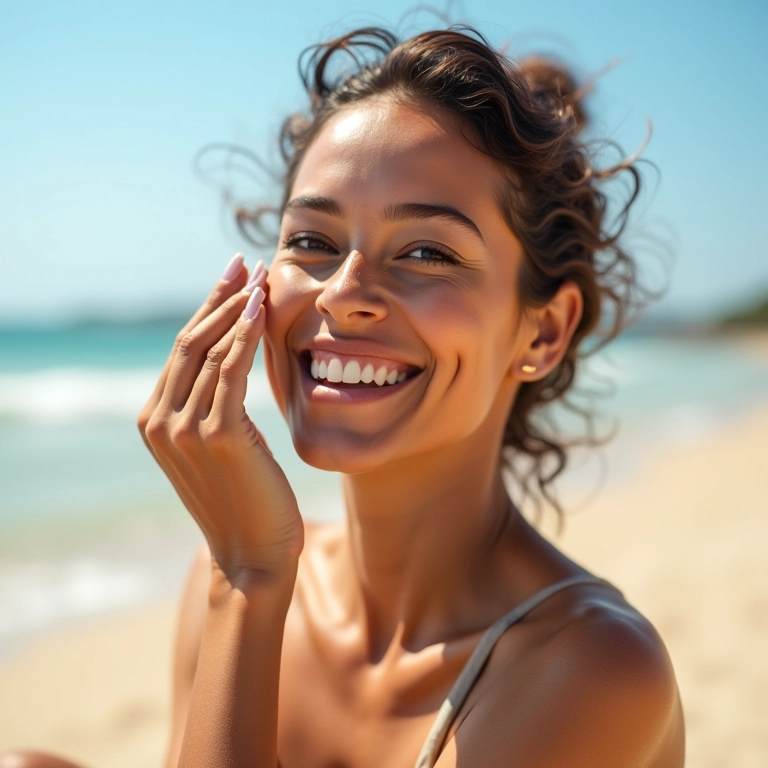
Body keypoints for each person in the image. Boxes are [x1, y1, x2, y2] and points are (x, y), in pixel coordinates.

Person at [1, 25, 684, 768]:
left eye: (428, 252)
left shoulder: (592, 667)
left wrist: (251, 582)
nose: (344, 293)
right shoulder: (225, 569)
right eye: (311, 242)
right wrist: (244, 574)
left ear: (544, 333)